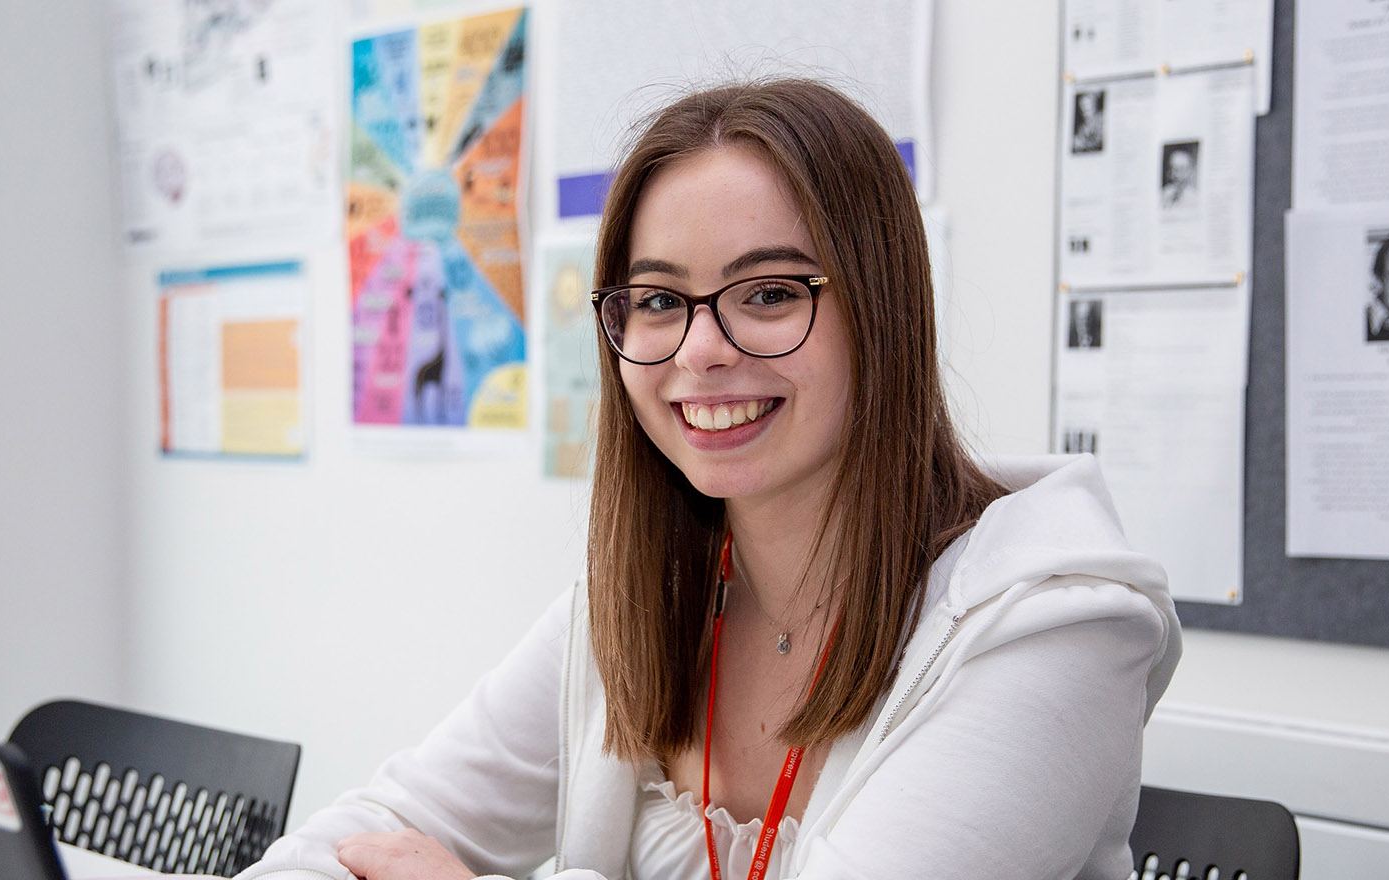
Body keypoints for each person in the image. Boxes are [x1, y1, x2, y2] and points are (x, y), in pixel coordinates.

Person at [235, 79, 1180, 880]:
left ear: (882, 311)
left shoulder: (1057, 625)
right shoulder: (637, 606)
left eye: (768, 292)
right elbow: (369, 833)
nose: (701, 350)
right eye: (656, 302)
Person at [1159, 142, 1197, 209]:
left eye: (1180, 170)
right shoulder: (1163, 194)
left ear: (1189, 172)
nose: (1175, 175)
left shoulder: (1194, 198)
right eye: (1172, 169)